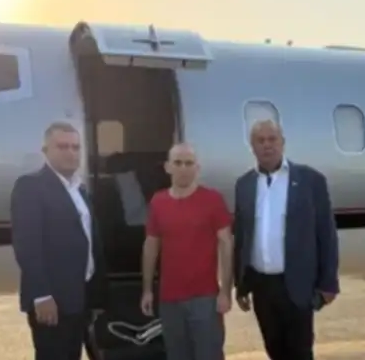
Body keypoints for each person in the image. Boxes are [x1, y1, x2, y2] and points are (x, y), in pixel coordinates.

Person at [233, 119, 339, 360]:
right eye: (260, 140)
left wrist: (329, 283)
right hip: (261, 287)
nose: (267, 145)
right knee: (275, 351)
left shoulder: (311, 180)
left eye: (272, 139)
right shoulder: (244, 185)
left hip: (296, 284)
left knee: (300, 353)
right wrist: (241, 284)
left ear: (283, 143)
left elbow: (326, 234)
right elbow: (242, 236)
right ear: (252, 146)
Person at [10, 121, 103, 360]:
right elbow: (27, 246)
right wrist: (41, 295)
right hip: (52, 301)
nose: (71, 153)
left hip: (79, 298)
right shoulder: (30, 187)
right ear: (46, 151)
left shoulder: (79, 190)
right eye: (62, 147)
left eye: (75, 147)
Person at [140, 143, 233, 360]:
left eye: (189, 163)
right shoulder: (158, 202)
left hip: (205, 299)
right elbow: (151, 245)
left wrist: (225, 291)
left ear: (197, 168)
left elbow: (226, 244)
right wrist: (147, 290)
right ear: (167, 167)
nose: (183, 168)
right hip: (169, 300)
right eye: (178, 163)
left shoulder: (213, 200)